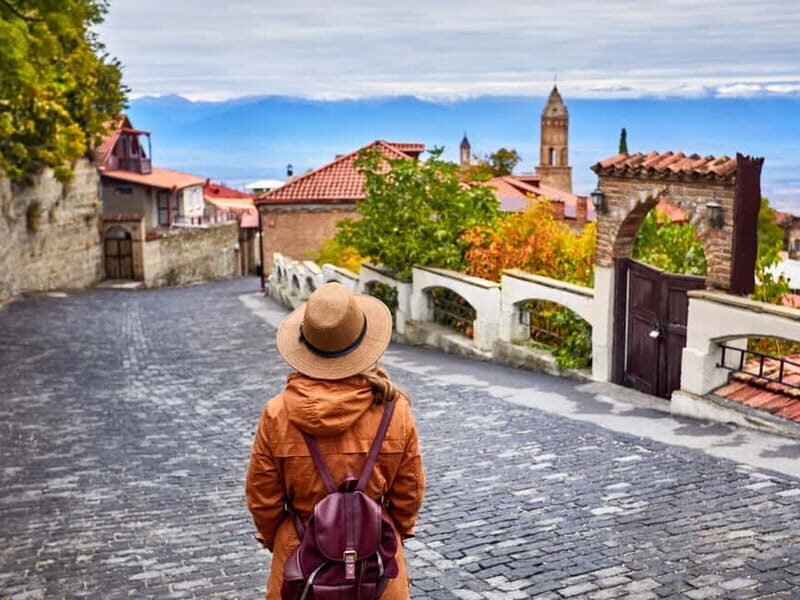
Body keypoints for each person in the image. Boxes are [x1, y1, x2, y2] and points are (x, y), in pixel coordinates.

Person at [246, 282, 425, 599]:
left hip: (300, 568)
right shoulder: (394, 409)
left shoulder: (277, 414)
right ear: (362, 341)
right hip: (377, 569)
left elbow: (264, 500)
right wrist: (381, 530)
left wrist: (289, 538)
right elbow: (408, 494)